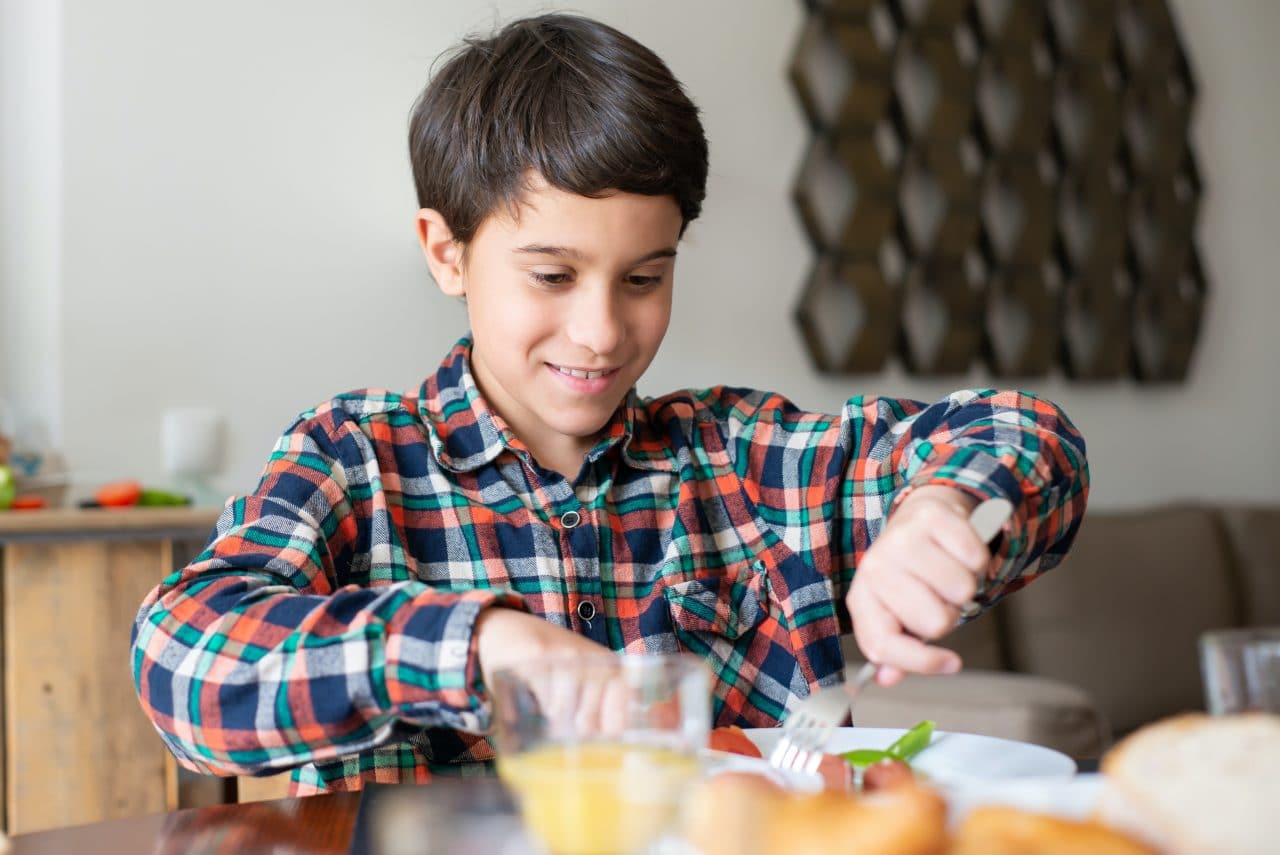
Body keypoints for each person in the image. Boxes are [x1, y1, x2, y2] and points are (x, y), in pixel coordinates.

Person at [131, 13, 1088, 796]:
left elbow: (1023, 434)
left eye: (643, 277)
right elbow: (181, 659)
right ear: (444, 251)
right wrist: (474, 645)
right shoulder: (356, 459)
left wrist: (940, 507)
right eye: (552, 274)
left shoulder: (745, 459)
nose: (601, 331)